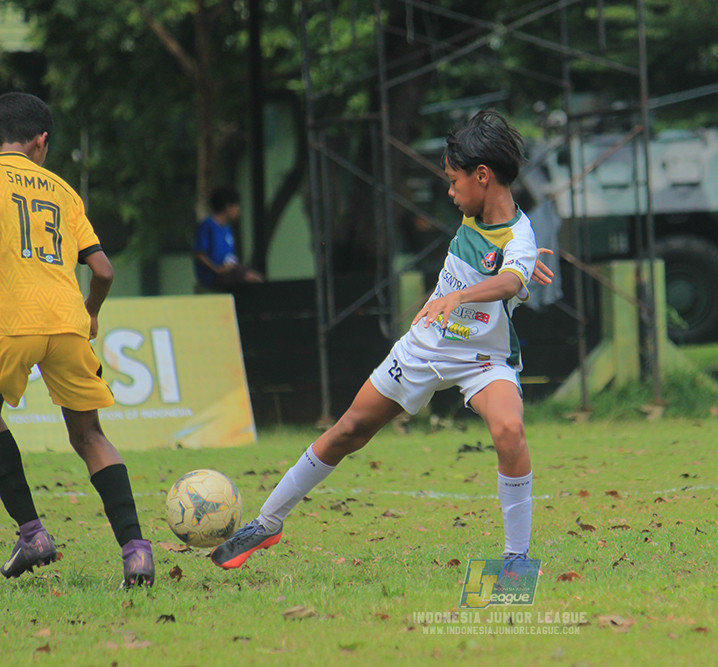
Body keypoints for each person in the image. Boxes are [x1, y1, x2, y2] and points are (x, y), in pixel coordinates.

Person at [210, 110, 551, 574]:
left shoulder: (521, 235)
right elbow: (505, 266)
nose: (450, 192)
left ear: (483, 176)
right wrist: (501, 274)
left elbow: (510, 281)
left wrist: (468, 292)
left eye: (454, 181)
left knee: (509, 430)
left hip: (482, 359)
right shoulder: (487, 220)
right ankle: (268, 523)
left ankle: (515, 559)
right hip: (425, 346)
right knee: (349, 429)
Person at [0, 92, 154, 588]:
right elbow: (103, 270)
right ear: (41, 141)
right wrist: (90, 314)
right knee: (90, 436)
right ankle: (136, 552)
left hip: (11, 320)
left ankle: (32, 533)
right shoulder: (64, 192)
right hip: (68, 322)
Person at [193, 186, 264, 292]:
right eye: (237, 207)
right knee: (249, 279)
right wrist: (217, 269)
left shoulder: (226, 229)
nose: (238, 211)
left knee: (255, 276)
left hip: (229, 271)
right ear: (228, 207)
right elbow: (199, 254)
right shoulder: (208, 226)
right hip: (213, 276)